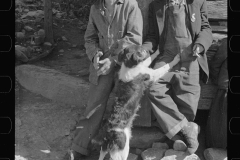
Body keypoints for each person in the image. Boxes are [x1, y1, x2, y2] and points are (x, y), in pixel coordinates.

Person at [68, 0, 143, 159]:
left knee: (123, 109)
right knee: (93, 106)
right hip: (102, 65)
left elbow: (135, 38)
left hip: (125, 64)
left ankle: (116, 150)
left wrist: (114, 60)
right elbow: (90, 38)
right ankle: (79, 148)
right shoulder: (95, 8)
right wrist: (95, 55)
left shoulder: (130, 5)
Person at [141, 0, 213, 154]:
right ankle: (188, 129)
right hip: (167, 57)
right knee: (152, 86)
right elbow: (152, 36)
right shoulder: (157, 5)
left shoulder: (197, 2)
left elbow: (206, 29)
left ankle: (178, 138)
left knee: (189, 102)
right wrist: (143, 50)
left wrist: (200, 45)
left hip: (190, 57)